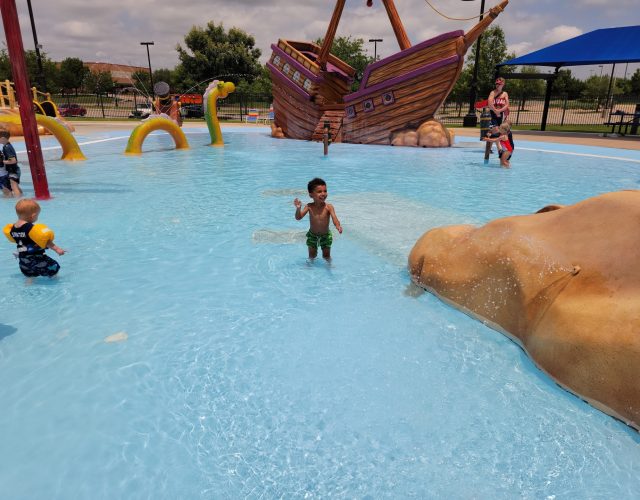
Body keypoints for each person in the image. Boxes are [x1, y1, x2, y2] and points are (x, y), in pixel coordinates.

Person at [3, 198, 65, 277]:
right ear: (33, 216)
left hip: (23, 260)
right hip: (36, 258)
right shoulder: (31, 228)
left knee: (30, 276)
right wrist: (57, 249)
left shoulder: (12, 229)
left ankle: (28, 284)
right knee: (54, 268)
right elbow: (45, 240)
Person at [293, 177, 342, 259]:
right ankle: (310, 269)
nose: (323, 193)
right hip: (312, 235)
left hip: (325, 235)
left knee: (326, 256)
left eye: (325, 191)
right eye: (319, 191)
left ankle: (329, 268)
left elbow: (334, 218)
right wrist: (298, 208)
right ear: (311, 194)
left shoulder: (329, 207)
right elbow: (298, 217)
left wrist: (338, 226)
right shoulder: (309, 206)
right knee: (312, 256)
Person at [0, 129, 22, 197]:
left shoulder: (7, 147)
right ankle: (21, 197)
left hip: (13, 170)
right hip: (13, 170)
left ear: (3, 138)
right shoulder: (7, 146)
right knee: (15, 187)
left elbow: (13, 160)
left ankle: (18, 201)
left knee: (14, 187)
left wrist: (2, 161)